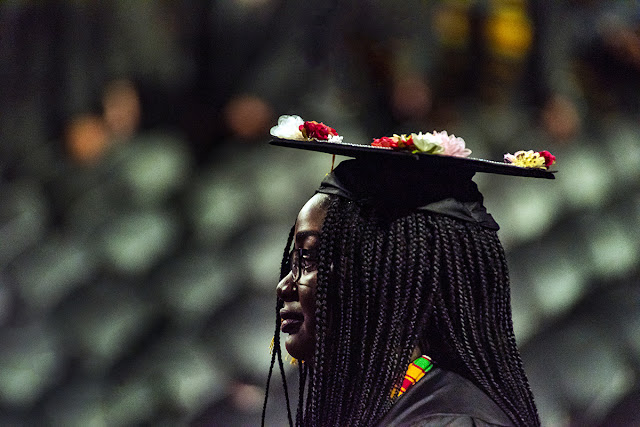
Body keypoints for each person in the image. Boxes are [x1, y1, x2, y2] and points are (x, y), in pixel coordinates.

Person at [263, 119, 555, 426]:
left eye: (309, 260)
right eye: (293, 262)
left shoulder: (448, 422)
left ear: (383, 281)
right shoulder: (375, 403)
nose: (284, 286)